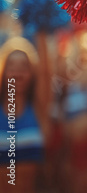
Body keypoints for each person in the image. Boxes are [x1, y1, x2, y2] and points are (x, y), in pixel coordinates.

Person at [0, 36, 51, 193]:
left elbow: (46, 74)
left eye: (24, 67)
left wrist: (41, 26)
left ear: (32, 73)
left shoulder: (38, 108)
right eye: (12, 66)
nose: (18, 72)